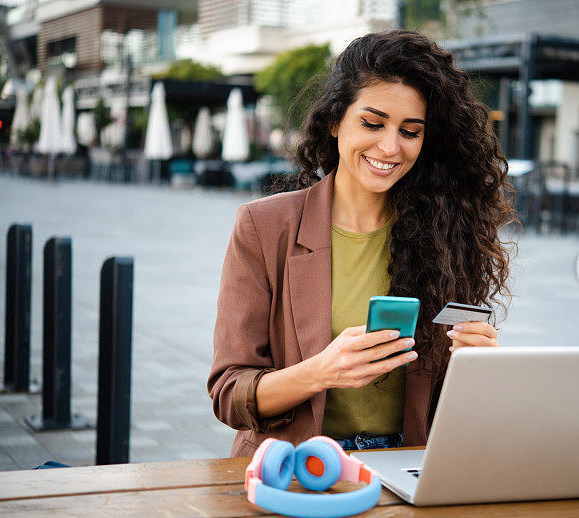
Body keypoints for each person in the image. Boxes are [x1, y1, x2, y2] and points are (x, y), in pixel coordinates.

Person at [208, 30, 515, 457]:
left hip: (408, 469)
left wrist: (477, 366)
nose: (389, 147)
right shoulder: (264, 226)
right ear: (335, 121)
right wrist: (322, 371)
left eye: (410, 131)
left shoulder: (446, 235)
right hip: (299, 468)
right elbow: (229, 393)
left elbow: (446, 406)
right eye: (372, 123)